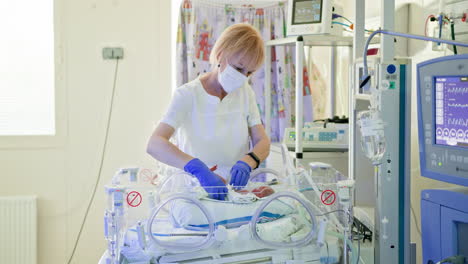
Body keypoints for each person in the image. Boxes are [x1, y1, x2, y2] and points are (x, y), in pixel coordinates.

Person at [147, 23, 270, 200]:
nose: (242, 77)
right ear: (221, 55)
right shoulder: (188, 94)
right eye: (238, 68)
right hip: (194, 193)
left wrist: (249, 161)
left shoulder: (245, 93)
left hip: (233, 194)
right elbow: (154, 143)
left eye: (249, 73)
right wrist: (196, 167)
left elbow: (262, 141)